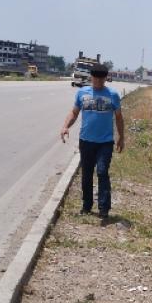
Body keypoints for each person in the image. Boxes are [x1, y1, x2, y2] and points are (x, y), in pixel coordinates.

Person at [59, 64, 125, 219]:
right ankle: (87, 205)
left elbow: (119, 117)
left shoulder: (112, 95)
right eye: (95, 78)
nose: (98, 81)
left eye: (101, 79)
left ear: (105, 78)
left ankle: (104, 208)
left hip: (105, 142)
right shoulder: (82, 92)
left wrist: (121, 137)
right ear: (91, 77)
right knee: (87, 174)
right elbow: (74, 113)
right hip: (86, 141)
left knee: (102, 172)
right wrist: (65, 126)